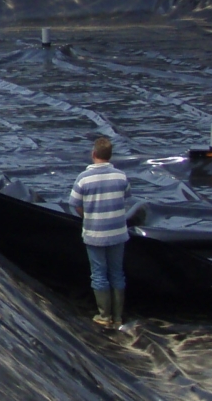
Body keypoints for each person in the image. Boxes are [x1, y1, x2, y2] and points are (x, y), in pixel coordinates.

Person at [70, 137, 130, 328]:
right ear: (110, 155)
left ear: (93, 154)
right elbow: (127, 197)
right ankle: (118, 316)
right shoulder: (121, 176)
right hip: (118, 233)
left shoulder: (84, 178)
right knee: (117, 272)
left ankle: (104, 316)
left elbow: (75, 204)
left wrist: (87, 216)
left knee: (99, 274)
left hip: (95, 233)